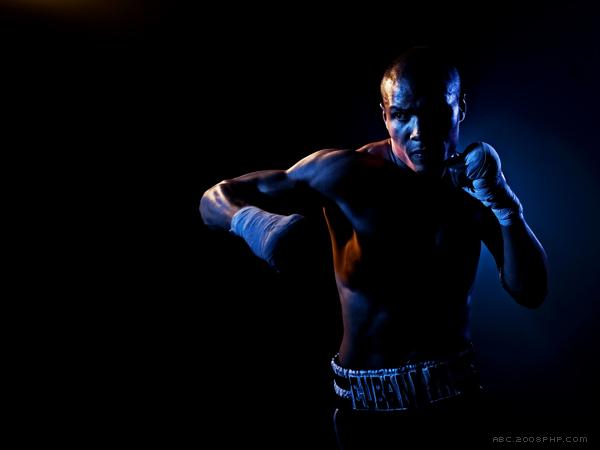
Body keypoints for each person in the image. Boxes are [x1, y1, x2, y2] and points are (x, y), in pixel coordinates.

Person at [199, 47, 548, 448]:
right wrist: (257, 225)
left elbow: (531, 291)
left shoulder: (473, 187)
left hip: (456, 403)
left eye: (435, 113)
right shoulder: (347, 174)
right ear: (385, 115)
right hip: (366, 414)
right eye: (402, 115)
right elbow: (214, 198)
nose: (419, 131)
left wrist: (506, 207)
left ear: (460, 109)